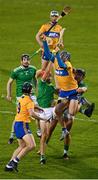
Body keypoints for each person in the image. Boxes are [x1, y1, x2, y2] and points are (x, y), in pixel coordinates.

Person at [5, 82, 46, 172]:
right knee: (31, 145)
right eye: (31, 88)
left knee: (22, 146)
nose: (33, 89)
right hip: (22, 124)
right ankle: (15, 162)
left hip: (17, 123)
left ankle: (8, 166)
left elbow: (26, 107)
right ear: (29, 90)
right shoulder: (29, 100)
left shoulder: (22, 98)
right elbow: (31, 113)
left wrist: (37, 107)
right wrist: (42, 118)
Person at [6, 54, 40, 144]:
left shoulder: (33, 69)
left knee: (37, 109)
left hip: (31, 94)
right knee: (19, 116)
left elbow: (35, 79)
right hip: (20, 96)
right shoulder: (16, 71)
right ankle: (12, 135)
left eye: (28, 59)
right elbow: (9, 83)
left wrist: (37, 90)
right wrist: (9, 95)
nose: (26, 61)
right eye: (24, 59)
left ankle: (39, 130)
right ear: (21, 61)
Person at [36, 70, 57, 164]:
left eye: (51, 76)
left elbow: (56, 97)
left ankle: (41, 151)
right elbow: (47, 71)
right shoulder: (41, 84)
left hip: (49, 112)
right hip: (42, 112)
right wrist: (51, 59)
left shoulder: (51, 87)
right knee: (44, 135)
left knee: (47, 134)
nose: (50, 78)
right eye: (49, 76)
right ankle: (42, 157)